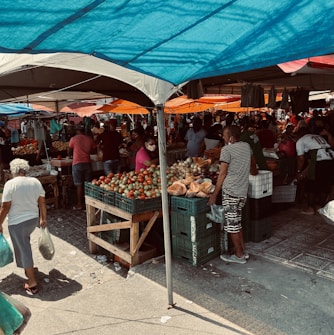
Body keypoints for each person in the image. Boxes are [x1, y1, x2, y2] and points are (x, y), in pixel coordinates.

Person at [208, 125, 257, 264]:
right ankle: (242, 250)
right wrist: (253, 171)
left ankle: (239, 255)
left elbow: (222, 173)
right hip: (242, 192)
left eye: (224, 136)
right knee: (237, 222)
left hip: (231, 191)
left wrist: (214, 194)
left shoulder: (226, 150)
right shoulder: (246, 146)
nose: (222, 138)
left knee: (232, 225)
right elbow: (253, 162)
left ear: (231, 138)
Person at [0, 159, 47, 294]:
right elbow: (42, 202)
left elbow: (5, 207)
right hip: (32, 220)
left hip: (17, 223)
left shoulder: (10, 184)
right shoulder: (35, 182)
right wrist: (43, 219)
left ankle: (32, 280)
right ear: (25, 170)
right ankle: (28, 269)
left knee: (24, 248)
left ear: (13, 170)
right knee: (24, 245)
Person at [296, 126, 334, 215]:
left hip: (319, 160)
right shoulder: (316, 137)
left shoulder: (301, 140)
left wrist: (298, 171)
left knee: (311, 183)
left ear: (300, 134)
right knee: (325, 183)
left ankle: (310, 208)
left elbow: (301, 158)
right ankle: (320, 206)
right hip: (330, 160)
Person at [68, 125, 96, 210]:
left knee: (79, 185)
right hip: (87, 163)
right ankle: (90, 204)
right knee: (88, 184)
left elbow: (69, 150)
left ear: (77, 131)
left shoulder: (73, 139)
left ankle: (79, 204)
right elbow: (93, 150)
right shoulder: (89, 139)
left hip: (77, 163)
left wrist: (70, 155)